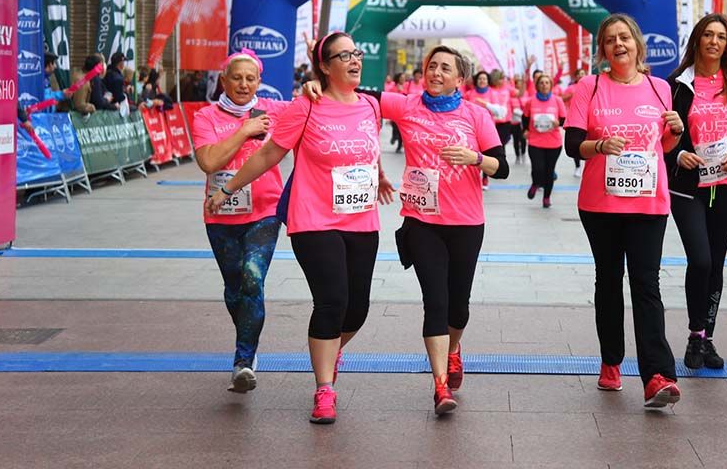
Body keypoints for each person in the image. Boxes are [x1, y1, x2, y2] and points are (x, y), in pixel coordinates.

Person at [312, 46, 509, 416]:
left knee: (458, 307)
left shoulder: (475, 115)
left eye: (444, 68)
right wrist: (316, 86)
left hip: (466, 223)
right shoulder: (406, 105)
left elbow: (503, 168)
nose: (435, 72)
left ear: (459, 78)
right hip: (421, 222)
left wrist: (476, 159)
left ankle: (453, 350)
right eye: (431, 66)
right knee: (434, 301)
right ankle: (439, 386)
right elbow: (356, 93)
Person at [215, 32, 394, 425]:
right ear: (325, 66)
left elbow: (368, 148)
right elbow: (268, 154)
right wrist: (229, 188)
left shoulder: (369, 106)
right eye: (343, 55)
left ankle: (330, 350)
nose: (354, 59)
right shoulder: (306, 106)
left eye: (356, 52)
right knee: (332, 301)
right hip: (314, 219)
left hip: (361, 218)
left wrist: (379, 176)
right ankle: (324, 389)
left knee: (357, 309)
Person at [564, 13, 683, 408]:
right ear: (603, 49)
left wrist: (677, 131)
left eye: (625, 37)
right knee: (609, 280)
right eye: (611, 39)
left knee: (647, 284)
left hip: (649, 201)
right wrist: (599, 146)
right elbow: (572, 144)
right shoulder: (590, 86)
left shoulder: (660, 87)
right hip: (601, 202)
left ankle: (657, 375)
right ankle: (611, 362)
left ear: (637, 44)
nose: (619, 44)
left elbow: (662, 147)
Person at [665, 14, 727, 371]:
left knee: (716, 264)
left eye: (721, 36)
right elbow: (662, 132)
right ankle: (693, 333)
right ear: (697, 40)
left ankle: (706, 338)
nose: (714, 42)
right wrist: (677, 153)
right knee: (700, 260)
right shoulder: (678, 83)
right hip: (689, 187)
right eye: (708, 35)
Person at [195, 50, 290, 392]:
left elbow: (313, 114)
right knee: (236, 288)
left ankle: (243, 360)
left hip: (264, 211)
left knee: (253, 277)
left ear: (259, 82)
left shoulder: (275, 111)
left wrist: (312, 88)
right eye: (237, 77)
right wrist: (244, 129)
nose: (244, 84)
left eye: (251, 78)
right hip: (220, 214)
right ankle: (248, 338)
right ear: (224, 80)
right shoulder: (205, 116)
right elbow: (209, 161)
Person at [523, 74, 566, 209]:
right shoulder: (530, 101)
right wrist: (525, 130)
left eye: (547, 83)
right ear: (537, 85)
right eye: (542, 83)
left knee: (549, 171)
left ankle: (546, 197)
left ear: (551, 85)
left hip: (553, 142)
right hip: (535, 141)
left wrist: (557, 123)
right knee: (538, 168)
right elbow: (525, 118)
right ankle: (535, 183)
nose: (544, 85)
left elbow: (564, 119)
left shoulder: (557, 100)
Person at [510, 76, 528, 165]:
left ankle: (523, 154)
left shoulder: (526, 94)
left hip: (523, 121)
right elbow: (512, 109)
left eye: (521, 83)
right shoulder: (511, 96)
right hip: (515, 121)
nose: (520, 85)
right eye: (518, 83)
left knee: (523, 139)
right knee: (516, 139)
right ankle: (517, 155)